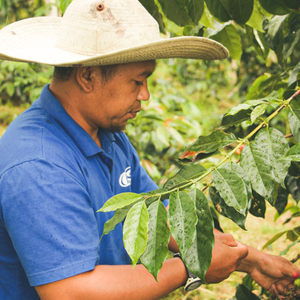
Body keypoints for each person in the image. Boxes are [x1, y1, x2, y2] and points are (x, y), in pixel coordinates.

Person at [0, 0, 298, 299]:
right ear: (87, 76)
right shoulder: (38, 163)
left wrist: (252, 260)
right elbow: (71, 291)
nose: (146, 95)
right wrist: (192, 267)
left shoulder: (107, 134)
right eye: (137, 81)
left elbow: (158, 213)